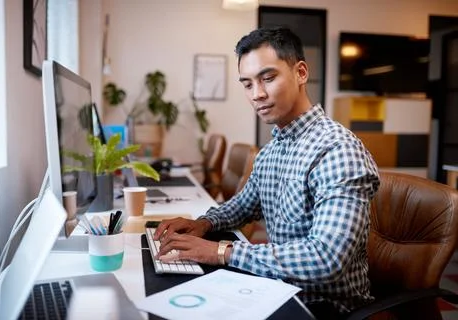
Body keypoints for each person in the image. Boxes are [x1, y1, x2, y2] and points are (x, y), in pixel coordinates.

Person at [154, 26, 380, 318]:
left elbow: (326, 259)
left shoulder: (336, 149)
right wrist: (204, 224)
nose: (257, 95)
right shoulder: (273, 149)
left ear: (300, 73)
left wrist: (220, 252)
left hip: (324, 307)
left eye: (268, 78)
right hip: (278, 288)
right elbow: (244, 204)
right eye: (247, 84)